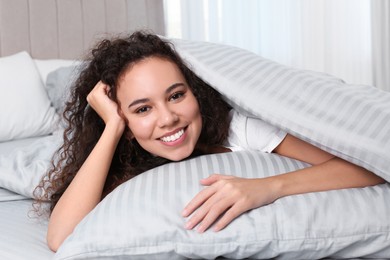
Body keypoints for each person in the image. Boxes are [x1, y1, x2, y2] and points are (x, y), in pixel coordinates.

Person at [34, 31, 385, 252]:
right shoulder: (121, 151)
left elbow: (366, 162)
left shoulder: (242, 129)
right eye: (142, 109)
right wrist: (112, 127)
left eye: (175, 96)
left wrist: (268, 187)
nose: (168, 118)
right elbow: (60, 238)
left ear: (195, 92)